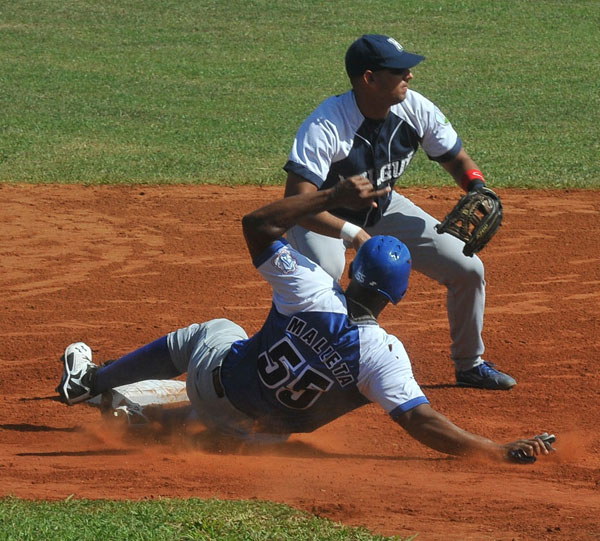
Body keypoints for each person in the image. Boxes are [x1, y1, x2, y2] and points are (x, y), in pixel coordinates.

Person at [56, 176, 551, 462]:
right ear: (399, 295)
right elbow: (423, 421)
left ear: (355, 271)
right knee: (258, 399)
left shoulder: (311, 288)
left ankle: (90, 382)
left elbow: (257, 223)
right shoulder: (384, 356)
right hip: (254, 440)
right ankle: (157, 421)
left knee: (214, 332)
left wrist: (333, 194)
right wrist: (495, 450)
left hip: (215, 391)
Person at [283, 34, 515, 390]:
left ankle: (469, 364)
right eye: (399, 70)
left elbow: (456, 158)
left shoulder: (415, 108)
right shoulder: (326, 125)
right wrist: (353, 234)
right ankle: (306, 365)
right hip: (322, 220)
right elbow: (296, 204)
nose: (410, 75)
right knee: (325, 278)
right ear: (369, 78)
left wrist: (477, 186)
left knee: (467, 268)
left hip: (385, 209)